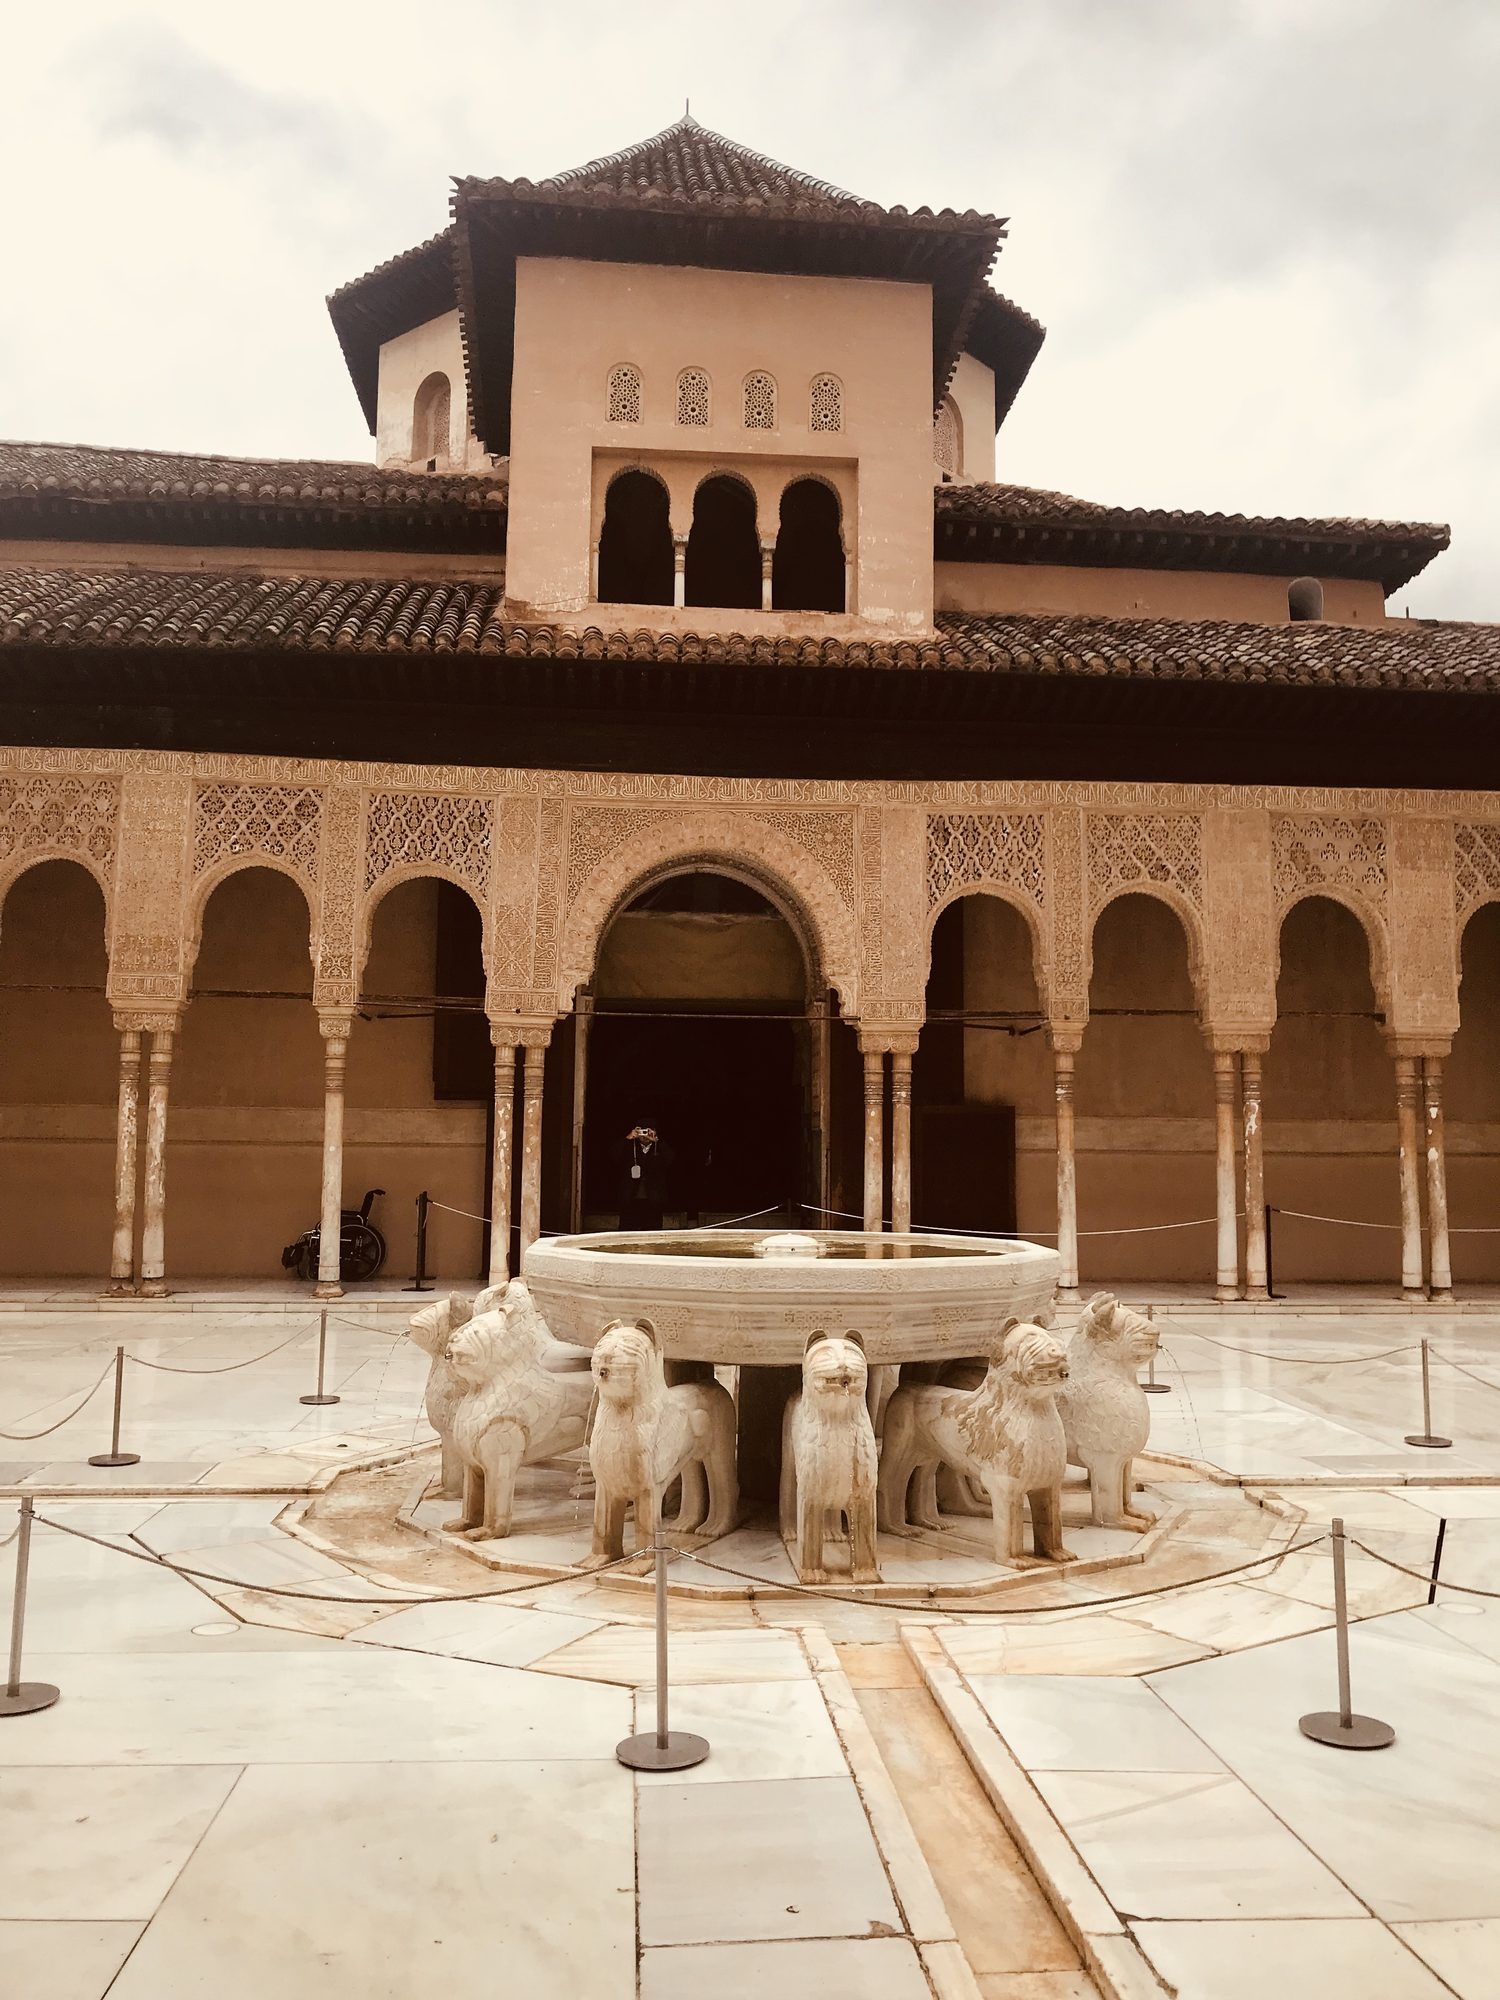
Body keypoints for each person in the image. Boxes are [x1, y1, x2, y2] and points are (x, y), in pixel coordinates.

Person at [615, 1120, 673, 1232]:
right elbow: (614, 1155)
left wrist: (657, 1141)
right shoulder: (630, 1145)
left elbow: (670, 1159)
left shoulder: (659, 1146)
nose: (645, 1135)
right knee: (627, 1230)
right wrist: (628, 1138)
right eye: (642, 1131)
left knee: (653, 1231)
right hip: (630, 1196)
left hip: (654, 1197)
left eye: (648, 1131)